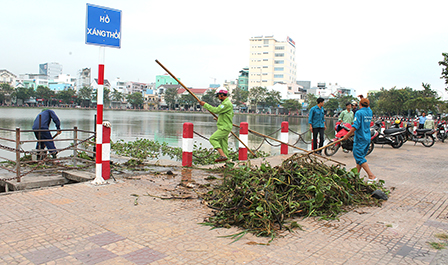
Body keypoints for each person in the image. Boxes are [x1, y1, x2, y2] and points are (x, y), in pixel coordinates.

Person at [341, 96, 377, 183]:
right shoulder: (369, 111)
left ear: (359, 104)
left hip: (360, 138)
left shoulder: (359, 113)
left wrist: (347, 135)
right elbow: (367, 106)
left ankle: (371, 176)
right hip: (367, 137)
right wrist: (363, 99)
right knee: (360, 158)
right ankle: (355, 176)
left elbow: (355, 126)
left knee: (359, 157)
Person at [199, 88, 234, 163]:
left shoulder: (226, 104)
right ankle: (227, 163)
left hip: (224, 128)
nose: (218, 97)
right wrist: (220, 119)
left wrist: (205, 105)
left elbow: (216, 110)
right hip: (225, 126)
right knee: (224, 146)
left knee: (213, 139)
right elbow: (227, 115)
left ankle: (222, 155)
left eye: (218, 96)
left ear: (222, 95)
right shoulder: (226, 103)